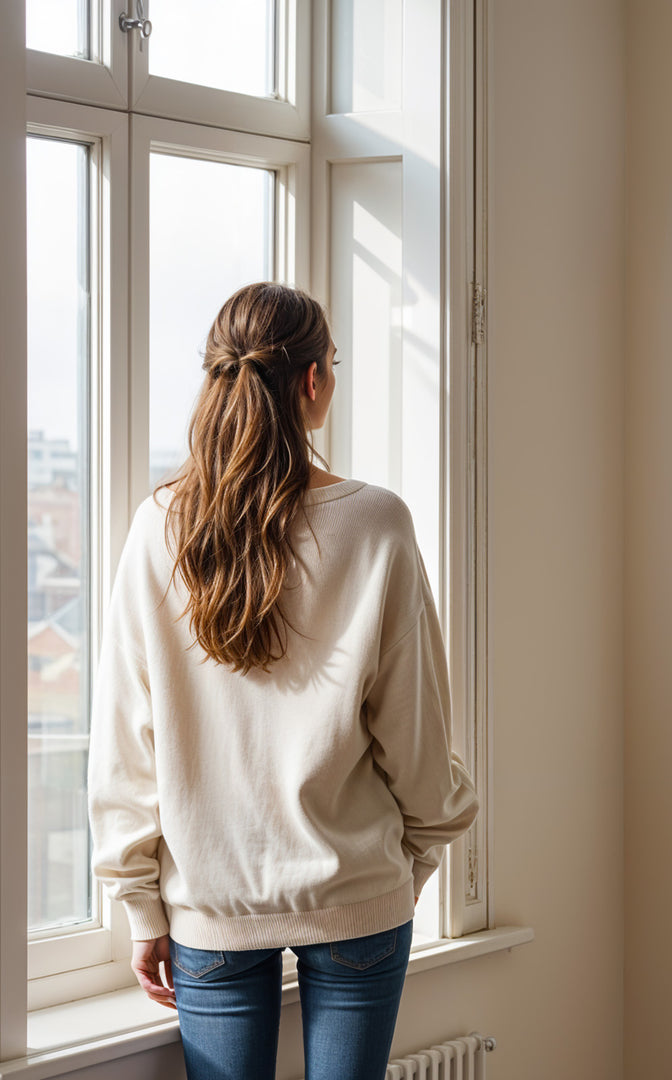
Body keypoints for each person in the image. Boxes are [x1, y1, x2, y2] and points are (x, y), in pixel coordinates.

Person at [87, 282, 479, 1080]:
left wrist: (140, 905)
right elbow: (416, 725)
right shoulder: (375, 523)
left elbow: (126, 733)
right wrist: (422, 854)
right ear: (311, 382)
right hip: (359, 891)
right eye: (332, 364)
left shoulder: (159, 525)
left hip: (209, 905)